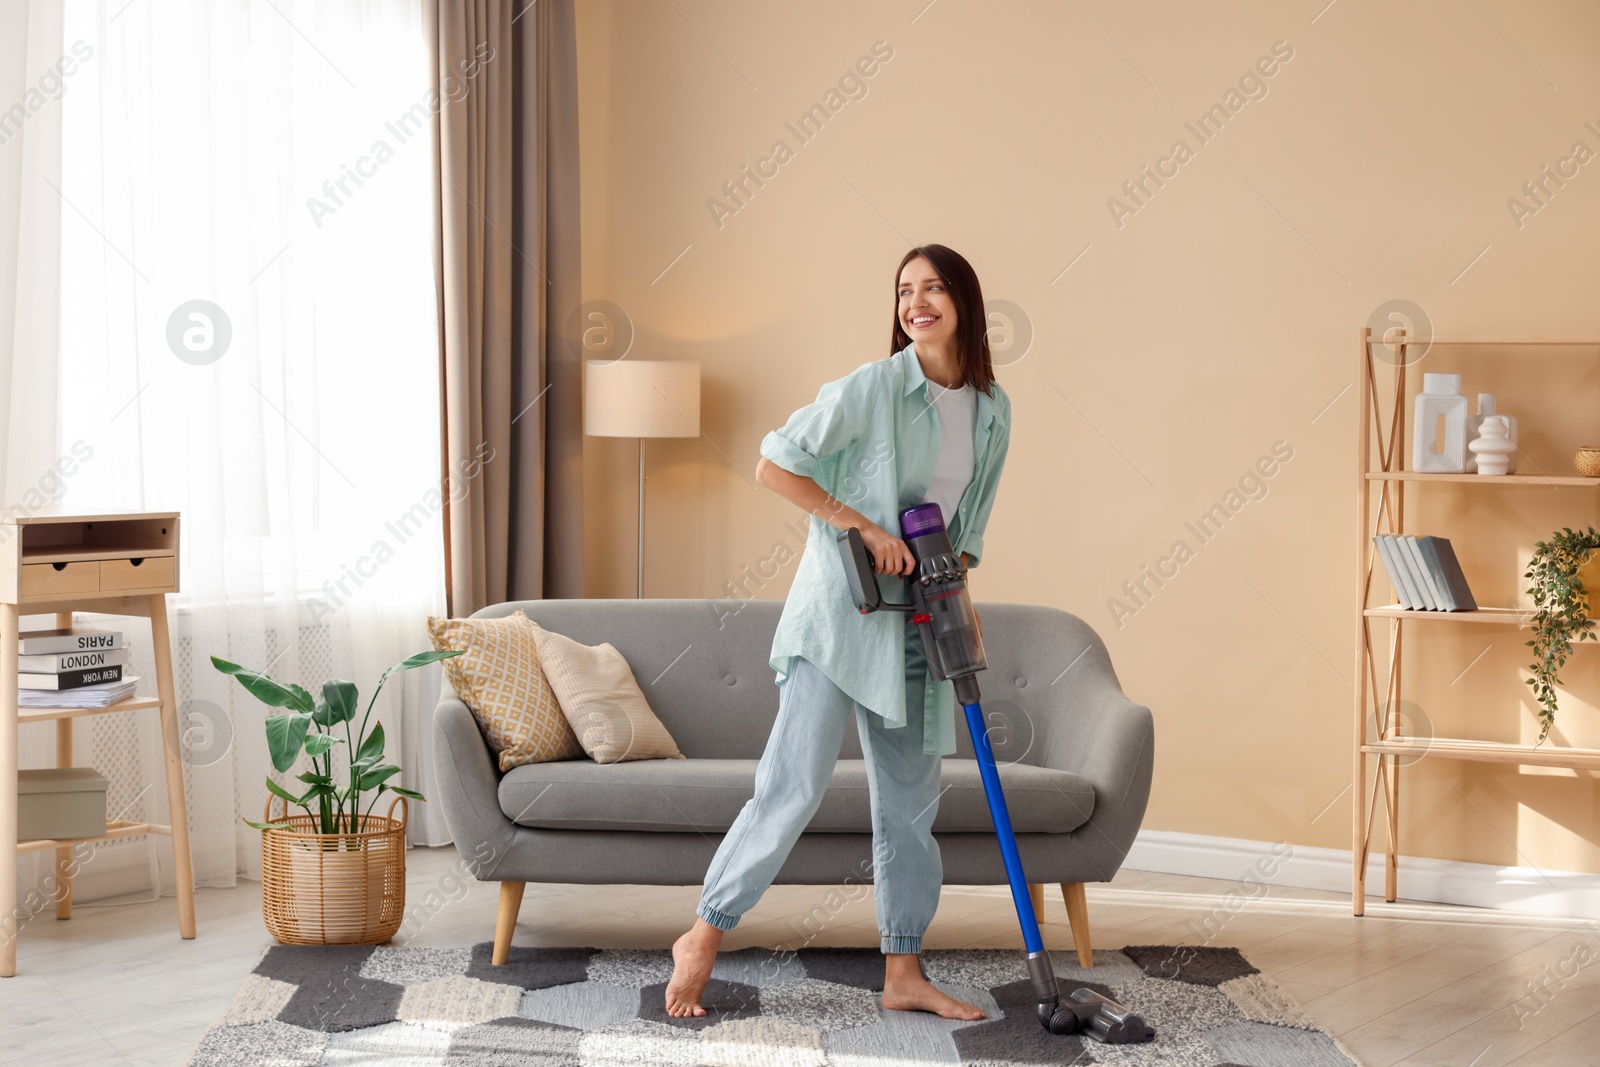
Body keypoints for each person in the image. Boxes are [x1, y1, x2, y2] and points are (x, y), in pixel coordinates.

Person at [664, 244, 1012, 1019]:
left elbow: (963, 534)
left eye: (932, 289)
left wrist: (964, 607)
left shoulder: (993, 411)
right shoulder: (875, 387)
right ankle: (703, 932)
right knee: (792, 784)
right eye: (904, 291)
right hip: (841, 616)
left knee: (909, 808)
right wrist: (856, 522)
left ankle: (903, 971)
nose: (915, 303)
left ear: (964, 301)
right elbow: (773, 464)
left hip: (922, 616)